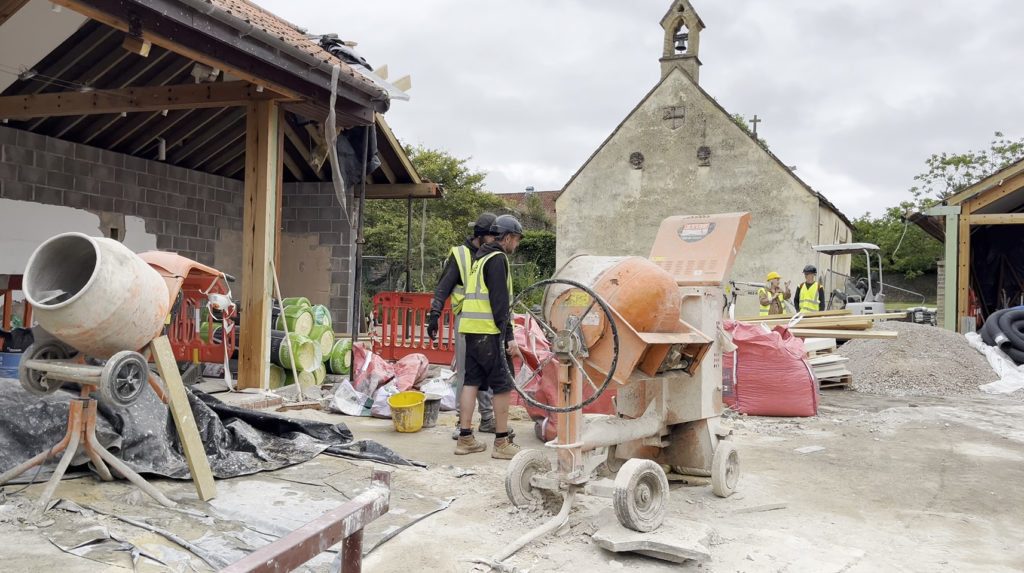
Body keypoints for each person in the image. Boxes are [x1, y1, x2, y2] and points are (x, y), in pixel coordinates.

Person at [426, 213, 505, 439]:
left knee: (488, 372)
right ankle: (463, 423)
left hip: (488, 322)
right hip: (467, 321)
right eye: (493, 236)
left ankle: (488, 419)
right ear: (481, 236)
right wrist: (434, 315)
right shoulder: (461, 256)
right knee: (467, 374)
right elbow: (443, 288)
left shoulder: (492, 255)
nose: (497, 240)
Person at [454, 214, 525, 459]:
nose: (516, 244)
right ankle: (502, 443)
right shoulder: (497, 259)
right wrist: (509, 337)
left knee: (471, 382)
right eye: (515, 239)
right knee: (503, 385)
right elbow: (499, 303)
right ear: (506, 237)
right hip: (490, 333)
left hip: (472, 331)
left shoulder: (479, 258)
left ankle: (465, 438)